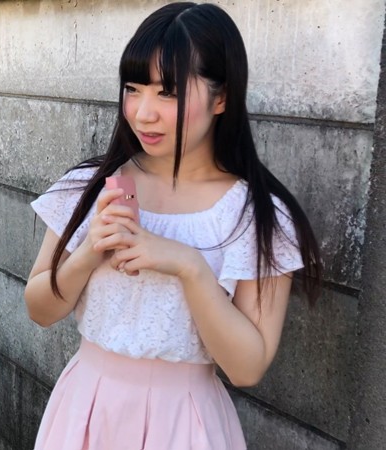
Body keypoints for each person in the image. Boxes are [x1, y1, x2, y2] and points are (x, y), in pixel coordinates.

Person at [24, 3, 322, 449]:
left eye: (168, 92)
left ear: (221, 98)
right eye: (133, 89)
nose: (143, 112)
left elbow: (247, 368)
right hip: (85, 411)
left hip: (185, 424)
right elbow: (39, 310)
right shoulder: (88, 186)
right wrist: (88, 253)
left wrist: (189, 267)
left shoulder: (258, 215)